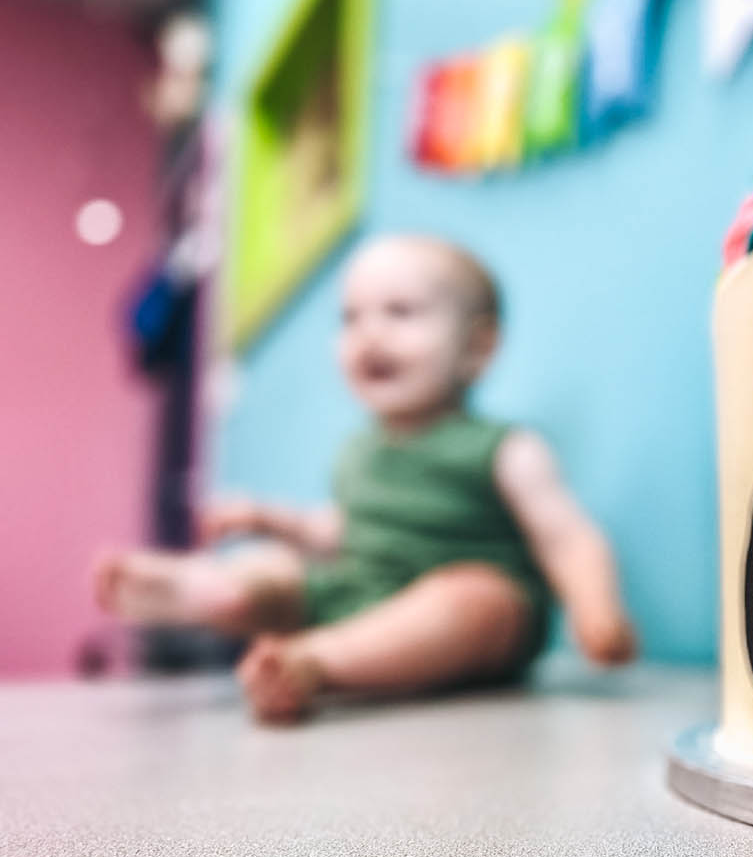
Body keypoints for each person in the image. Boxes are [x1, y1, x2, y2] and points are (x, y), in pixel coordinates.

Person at [95, 234, 635, 721]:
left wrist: (596, 611)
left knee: (481, 598)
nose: (369, 334)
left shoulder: (505, 449)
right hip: (360, 593)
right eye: (350, 318)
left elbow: (567, 537)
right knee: (280, 567)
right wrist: (268, 519)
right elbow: (345, 530)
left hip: (463, 618)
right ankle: (209, 590)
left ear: (478, 347)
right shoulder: (359, 451)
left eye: (400, 312)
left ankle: (316, 661)